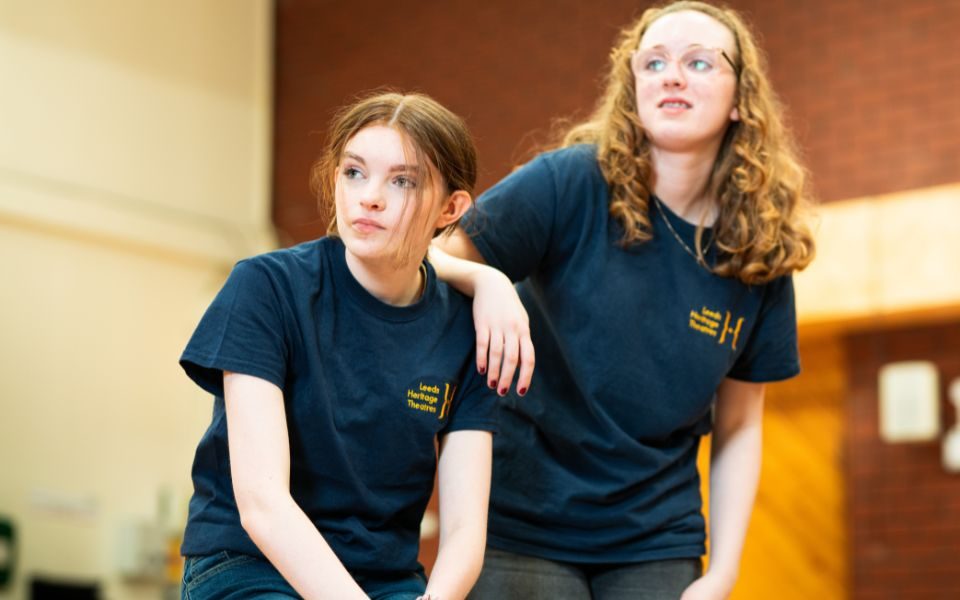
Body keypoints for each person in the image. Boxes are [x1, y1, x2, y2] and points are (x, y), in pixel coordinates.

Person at [430, 1, 816, 598]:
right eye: (654, 62)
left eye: (699, 62)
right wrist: (488, 282)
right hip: (522, 520)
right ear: (632, 87)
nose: (672, 75)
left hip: (656, 538)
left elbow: (740, 424)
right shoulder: (569, 182)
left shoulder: (758, 251)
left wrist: (724, 572)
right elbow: (431, 258)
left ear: (741, 99)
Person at [178, 91, 497, 600]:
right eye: (354, 172)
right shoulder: (265, 287)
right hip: (249, 564)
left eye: (402, 181)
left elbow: (463, 533)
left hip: (384, 578)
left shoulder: (470, 332)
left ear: (450, 208)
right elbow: (263, 502)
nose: (369, 196)